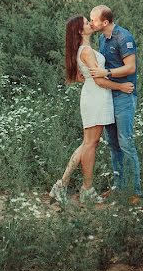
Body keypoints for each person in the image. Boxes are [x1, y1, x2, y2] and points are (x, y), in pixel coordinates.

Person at [49, 15, 134, 206]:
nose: (90, 24)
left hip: (95, 96)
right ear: (80, 31)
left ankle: (62, 185)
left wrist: (87, 76)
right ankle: (85, 189)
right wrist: (121, 87)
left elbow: (84, 77)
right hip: (96, 97)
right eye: (87, 23)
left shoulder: (83, 50)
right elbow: (98, 80)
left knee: (89, 143)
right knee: (90, 144)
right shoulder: (86, 51)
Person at [88, 5, 141, 202]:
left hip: (124, 97)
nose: (91, 22)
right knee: (113, 144)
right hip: (108, 96)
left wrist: (106, 73)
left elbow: (130, 67)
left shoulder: (123, 37)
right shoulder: (102, 38)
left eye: (93, 20)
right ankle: (119, 187)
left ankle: (135, 192)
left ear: (105, 22)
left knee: (126, 143)